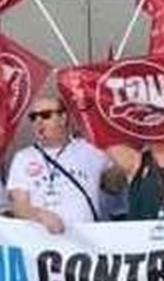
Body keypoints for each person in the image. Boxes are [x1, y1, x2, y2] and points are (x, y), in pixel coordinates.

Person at [7, 98, 121, 233]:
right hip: (41, 242)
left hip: (87, 241)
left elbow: (115, 186)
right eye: (33, 117)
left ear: (63, 118)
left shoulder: (91, 150)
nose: (38, 121)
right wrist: (40, 215)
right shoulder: (24, 157)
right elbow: (20, 206)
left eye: (45, 115)